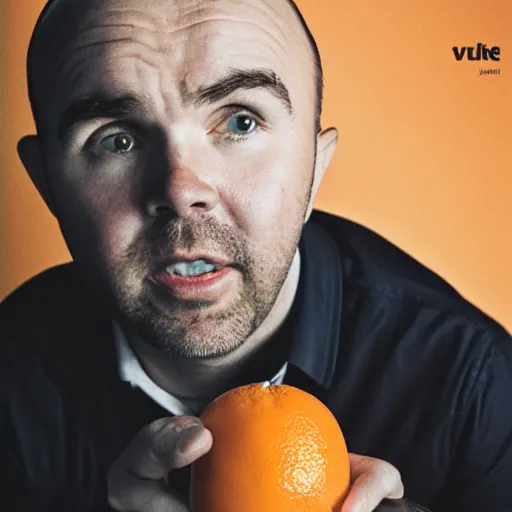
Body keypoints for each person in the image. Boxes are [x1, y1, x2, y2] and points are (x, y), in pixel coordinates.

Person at [1, 0, 511, 510]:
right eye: (117, 140)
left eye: (240, 123)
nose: (182, 190)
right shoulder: (11, 380)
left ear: (314, 173)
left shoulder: (475, 388)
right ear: (48, 186)